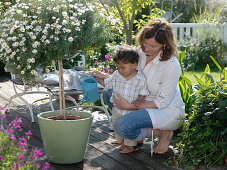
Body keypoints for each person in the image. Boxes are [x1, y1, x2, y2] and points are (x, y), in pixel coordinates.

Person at [93, 19, 185, 154]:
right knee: (109, 94)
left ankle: (163, 132)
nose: (146, 48)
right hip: (140, 100)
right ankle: (137, 135)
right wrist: (103, 76)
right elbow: (127, 77)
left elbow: (162, 102)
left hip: (164, 109)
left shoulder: (171, 65)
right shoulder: (140, 52)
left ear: (164, 45)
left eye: (153, 46)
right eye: (145, 43)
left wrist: (129, 106)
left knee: (122, 127)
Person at [93, 45, 149, 153]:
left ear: (134, 65)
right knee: (116, 122)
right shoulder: (117, 75)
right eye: (118, 67)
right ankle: (121, 140)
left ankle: (130, 146)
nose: (120, 70)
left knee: (128, 126)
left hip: (131, 110)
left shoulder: (140, 78)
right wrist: (97, 78)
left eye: (123, 67)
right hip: (117, 108)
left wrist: (139, 100)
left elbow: (144, 92)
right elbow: (107, 84)